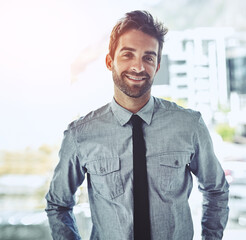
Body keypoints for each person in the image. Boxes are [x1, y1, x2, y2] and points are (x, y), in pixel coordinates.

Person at [45, 10, 229, 240]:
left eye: (148, 57)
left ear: (157, 66)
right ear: (109, 61)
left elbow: (216, 190)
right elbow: (57, 204)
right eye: (128, 55)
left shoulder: (189, 125)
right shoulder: (80, 134)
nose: (139, 67)